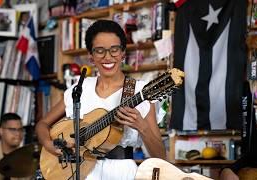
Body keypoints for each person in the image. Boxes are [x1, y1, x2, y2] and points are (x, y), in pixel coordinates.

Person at [35, 19, 165, 179]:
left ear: (123, 52)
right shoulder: (80, 88)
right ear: (90, 56)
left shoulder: (140, 92)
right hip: (81, 171)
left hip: (122, 173)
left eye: (114, 49)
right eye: (99, 50)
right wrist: (49, 145)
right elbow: (42, 124)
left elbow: (161, 158)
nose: (108, 57)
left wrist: (143, 127)